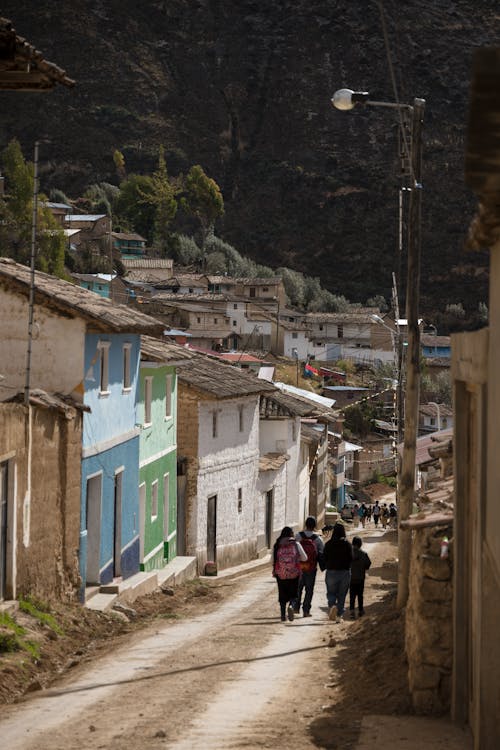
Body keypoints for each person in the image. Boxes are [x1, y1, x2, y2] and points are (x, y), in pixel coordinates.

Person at [272, 527, 307, 622]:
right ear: (291, 534)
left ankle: (283, 615)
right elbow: (305, 558)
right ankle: (291, 606)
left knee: (282, 593)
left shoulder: (277, 544)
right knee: (294, 593)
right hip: (294, 572)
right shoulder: (295, 543)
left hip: (281, 573)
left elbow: (272, 559)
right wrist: (296, 559)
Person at [295, 516, 325, 617]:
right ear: (315, 526)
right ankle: (306, 611)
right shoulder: (318, 539)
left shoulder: (298, 536)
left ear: (305, 524)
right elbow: (322, 553)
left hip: (299, 567)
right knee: (309, 590)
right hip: (311, 568)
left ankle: (295, 607)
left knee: (298, 588)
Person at [323, 522, 353, 622]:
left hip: (331, 572)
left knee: (331, 593)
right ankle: (339, 616)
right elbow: (351, 558)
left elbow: (324, 557)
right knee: (342, 594)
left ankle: (332, 606)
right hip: (344, 573)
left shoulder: (328, 544)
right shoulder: (347, 544)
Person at [349, 536, 371, 618]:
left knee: (352, 595)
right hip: (361, 578)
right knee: (360, 595)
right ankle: (361, 610)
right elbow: (368, 564)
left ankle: (352, 611)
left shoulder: (349, 553)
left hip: (351, 578)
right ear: (360, 544)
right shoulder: (364, 554)